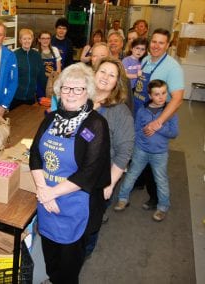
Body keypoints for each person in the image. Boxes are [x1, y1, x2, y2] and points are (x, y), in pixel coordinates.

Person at [29, 63, 111, 283]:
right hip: (47, 200)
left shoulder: (95, 125)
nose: (71, 94)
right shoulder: (51, 118)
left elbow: (89, 173)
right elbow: (35, 156)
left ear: (88, 92)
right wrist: (43, 190)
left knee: (69, 266)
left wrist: (51, 193)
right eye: (66, 88)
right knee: (51, 257)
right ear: (59, 90)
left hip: (76, 205)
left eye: (78, 89)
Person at [85, 57, 134, 257]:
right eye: (102, 71)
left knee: (91, 222)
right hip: (75, 174)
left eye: (112, 75)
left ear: (117, 83)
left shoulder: (119, 112)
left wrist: (110, 183)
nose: (105, 77)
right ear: (94, 74)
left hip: (100, 178)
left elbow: (125, 151)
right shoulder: (80, 100)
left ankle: (85, 253)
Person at [133, 28, 184, 209]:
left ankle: (155, 198)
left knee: (153, 156)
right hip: (141, 111)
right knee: (139, 148)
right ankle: (139, 181)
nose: (156, 46)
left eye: (161, 43)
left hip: (157, 116)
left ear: (168, 45)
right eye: (154, 41)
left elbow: (177, 99)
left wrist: (158, 122)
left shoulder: (172, 67)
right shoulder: (146, 60)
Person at [114, 79, 178, 222]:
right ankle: (123, 198)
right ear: (150, 96)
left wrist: (159, 127)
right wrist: (136, 144)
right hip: (141, 150)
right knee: (131, 175)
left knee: (161, 180)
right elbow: (136, 129)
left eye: (163, 93)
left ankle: (163, 207)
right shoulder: (143, 111)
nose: (161, 97)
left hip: (160, 153)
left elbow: (174, 133)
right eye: (157, 94)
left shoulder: (170, 113)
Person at [11, 28, 47, 109]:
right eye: (24, 39)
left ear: (32, 39)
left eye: (29, 38)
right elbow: (10, 77)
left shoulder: (37, 55)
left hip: (31, 97)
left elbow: (42, 76)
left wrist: (46, 92)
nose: (27, 41)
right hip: (16, 97)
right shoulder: (14, 55)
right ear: (20, 40)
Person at [36, 30, 62, 100]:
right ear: (39, 40)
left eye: (48, 38)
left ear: (50, 39)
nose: (45, 40)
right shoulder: (35, 51)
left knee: (52, 104)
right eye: (43, 38)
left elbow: (58, 70)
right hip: (39, 83)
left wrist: (55, 82)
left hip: (52, 82)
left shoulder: (55, 50)